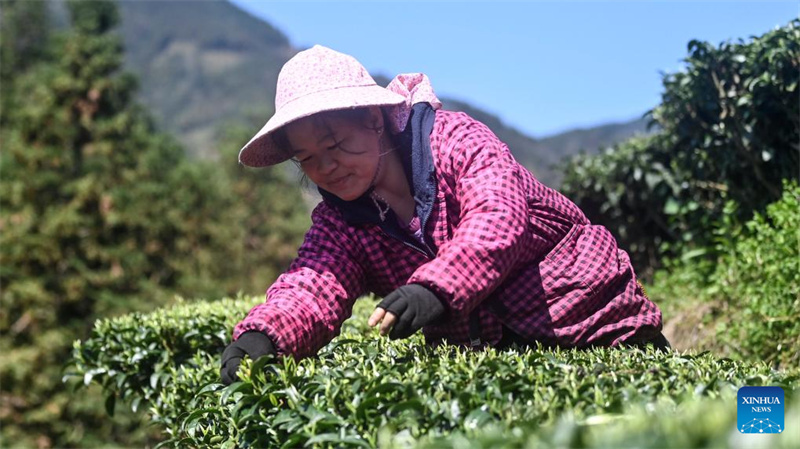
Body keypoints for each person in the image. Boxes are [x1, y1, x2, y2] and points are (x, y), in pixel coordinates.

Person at [220, 45, 668, 385]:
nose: (326, 167)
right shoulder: (340, 224)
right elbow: (312, 285)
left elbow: (497, 217)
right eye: (308, 158)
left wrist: (435, 288)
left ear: (374, 120)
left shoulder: (456, 142)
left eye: (335, 144)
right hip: (501, 367)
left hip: (596, 325)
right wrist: (265, 337)